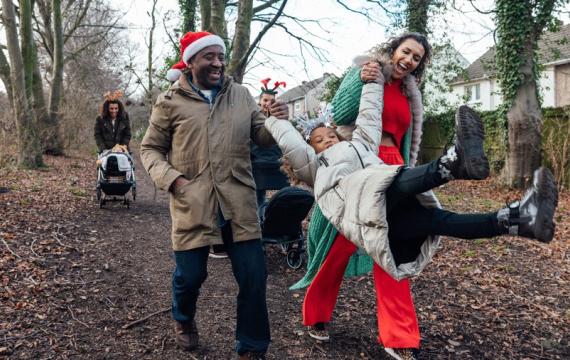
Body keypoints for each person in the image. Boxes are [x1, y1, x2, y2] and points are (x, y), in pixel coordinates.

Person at [266, 33, 558, 360]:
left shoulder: (409, 93)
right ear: (393, 50)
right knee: (333, 254)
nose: (409, 60)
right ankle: (317, 313)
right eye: (405, 52)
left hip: (394, 167)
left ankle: (400, 334)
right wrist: (366, 79)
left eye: (416, 58)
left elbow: (388, 128)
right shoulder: (363, 77)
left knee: (399, 249)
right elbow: (342, 115)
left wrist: (405, 161)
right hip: (349, 180)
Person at [140, 31, 289, 360]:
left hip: (239, 201)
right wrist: (173, 180)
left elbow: (261, 137)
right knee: (190, 276)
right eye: (209, 57)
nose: (218, 63)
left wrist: (277, 121)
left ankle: (252, 346)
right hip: (192, 200)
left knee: (253, 277)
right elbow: (150, 149)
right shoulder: (170, 101)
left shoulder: (241, 95)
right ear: (191, 61)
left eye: (220, 57)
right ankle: (183, 318)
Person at [251, 78, 290, 208]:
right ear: (260, 101)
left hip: (276, 164)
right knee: (257, 199)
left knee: (282, 199)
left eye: (271, 101)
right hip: (257, 166)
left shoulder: (281, 119)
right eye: (265, 100)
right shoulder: (252, 118)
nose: (268, 103)